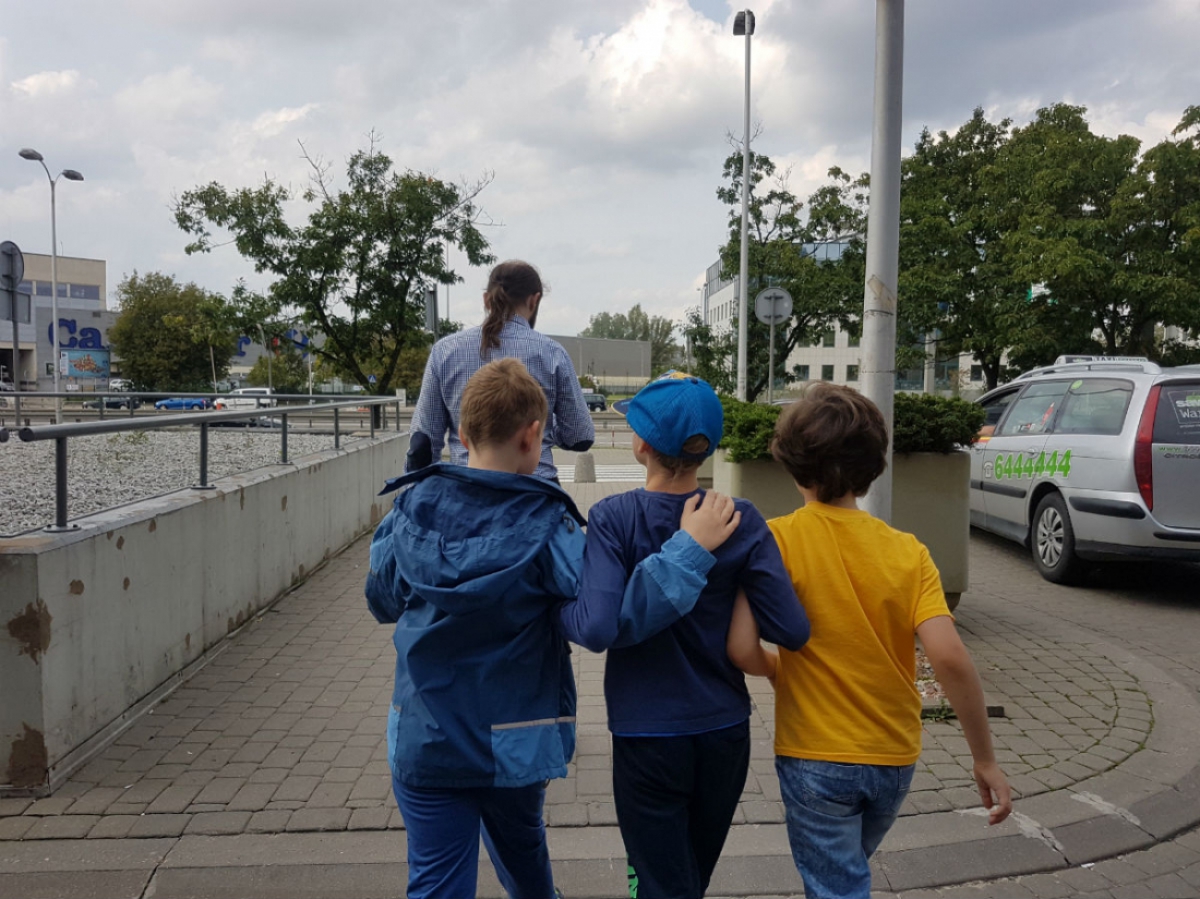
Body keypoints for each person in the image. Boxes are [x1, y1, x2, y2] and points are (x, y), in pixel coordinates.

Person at [727, 382, 1013, 899]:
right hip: (893, 756)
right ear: (874, 465)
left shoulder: (774, 540)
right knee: (845, 872)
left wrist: (777, 670)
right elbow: (948, 656)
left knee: (837, 883)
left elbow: (742, 648)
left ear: (792, 464)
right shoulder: (909, 552)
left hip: (814, 754)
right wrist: (985, 758)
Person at [558, 374, 812, 899]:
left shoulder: (612, 517)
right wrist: (740, 584)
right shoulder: (741, 518)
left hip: (646, 735)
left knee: (661, 882)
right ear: (708, 448)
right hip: (724, 731)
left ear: (641, 445)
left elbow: (598, 626)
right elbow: (791, 628)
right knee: (690, 877)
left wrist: (556, 613)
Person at [366, 358, 584, 899]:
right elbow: (598, 607)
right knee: (524, 857)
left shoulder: (411, 507)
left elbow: (382, 600)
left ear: (462, 436)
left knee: (436, 882)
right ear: (532, 436)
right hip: (515, 741)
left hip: (425, 738)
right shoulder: (550, 523)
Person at [407, 259, 594, 480]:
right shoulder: (553, 353)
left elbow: (422, 444)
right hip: (537, 490)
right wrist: (543, 432)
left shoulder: (444, 351)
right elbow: (580, 437)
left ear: (486, 299)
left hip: (467, 489)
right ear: (534, 300)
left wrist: (418, 494)